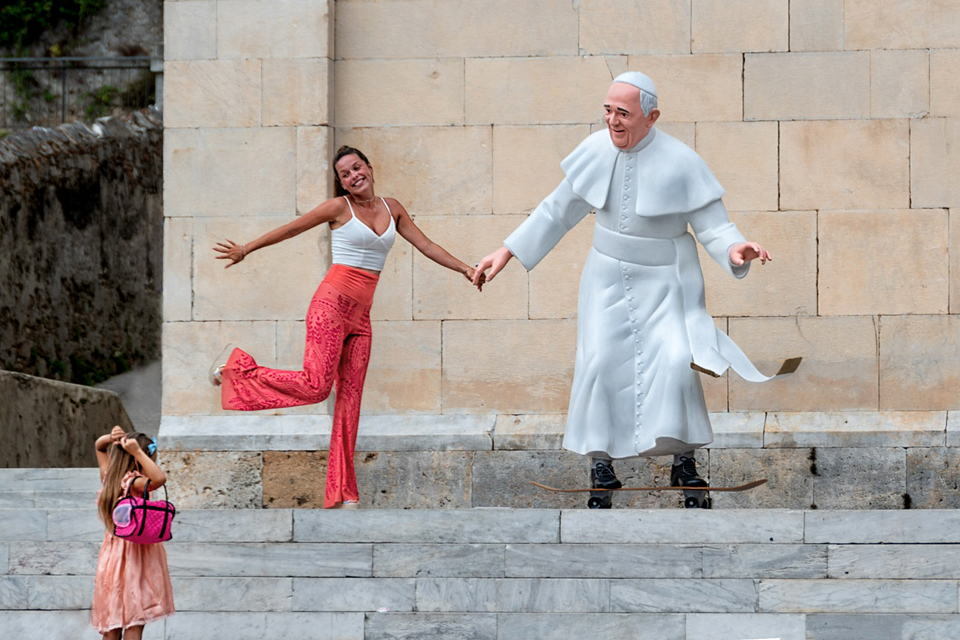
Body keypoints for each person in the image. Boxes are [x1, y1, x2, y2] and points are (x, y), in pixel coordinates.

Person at [473, 72, 797, 508]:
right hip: (605, 277)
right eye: (608, 110)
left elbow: (714, 225)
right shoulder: (594, 149)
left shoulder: (681, 161)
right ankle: (601, 468)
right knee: (601, 364)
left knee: (676, 364)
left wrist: (737, 248)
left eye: (623, 112)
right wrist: (507, 250)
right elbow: (555, 212)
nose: (612, 120)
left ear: (651, 116)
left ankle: (685, 465)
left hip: (665, 281)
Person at [211, 145, 484, 509]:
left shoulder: (393, 207)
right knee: (316, 386)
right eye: (346, 174)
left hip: (361, 317)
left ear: (370, 168)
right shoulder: (340, 208)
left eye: (358, 168)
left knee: (350, 402)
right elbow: (293, 229)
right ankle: (235, 372)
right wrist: (247, 247)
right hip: (331, 305)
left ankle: (344, 492)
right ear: (341, 184)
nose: (354, 176)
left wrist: (466, 268)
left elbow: (427, 245)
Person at [92, 426, 174, 637]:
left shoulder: (108, 477)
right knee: (134, 620)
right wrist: (138, 452)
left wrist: (110, 438)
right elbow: (159, 479)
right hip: (134, 555)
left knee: (112, 622)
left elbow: (99, 447)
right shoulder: (135, 482)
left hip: (112, 556)